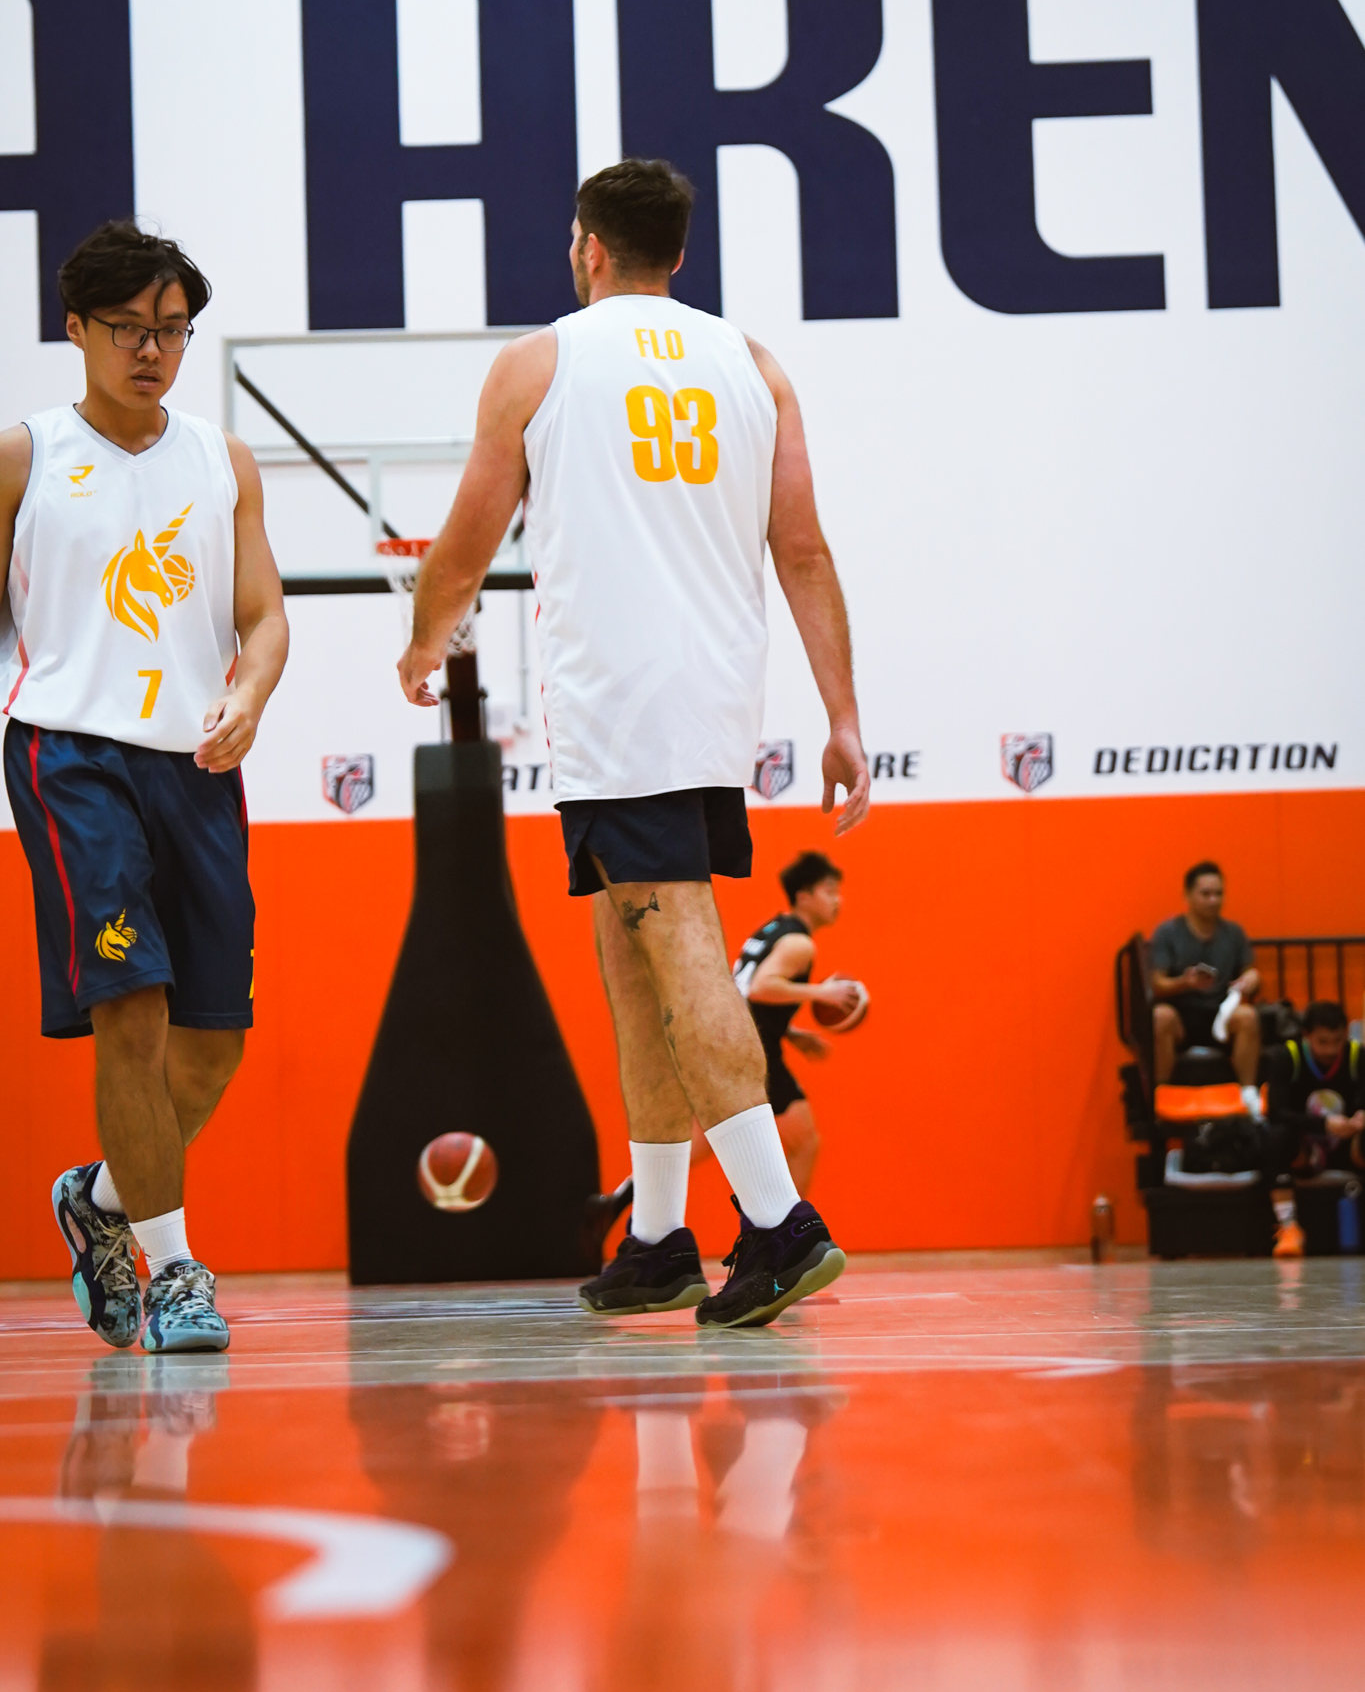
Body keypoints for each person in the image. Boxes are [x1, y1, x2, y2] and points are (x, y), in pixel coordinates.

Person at [400, 159, 870, 1328]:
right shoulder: (753, 362)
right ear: (679, 254)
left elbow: (467, 538)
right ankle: (659, 1234)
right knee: (635, 952)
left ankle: (780, 1220)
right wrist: (844, 716)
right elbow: (803, 549)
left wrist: (423, 642)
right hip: (712, 705)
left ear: (588, 247)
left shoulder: (540, 361)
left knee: (681, 948)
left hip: (622, 706)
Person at [0, 222, 288, 1353]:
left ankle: (102, 1201)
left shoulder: (225, 459)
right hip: (69, 754)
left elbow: (262, 616)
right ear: (76, 329)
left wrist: (249, 693)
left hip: (197, 765)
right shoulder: (24, 457)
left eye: (171, 330)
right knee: (132, 1008)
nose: (152, 349)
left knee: (211, 1044)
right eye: (128, 328)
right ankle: (175, 1273)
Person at [692, 851, 860, 1195]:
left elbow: (747, 993)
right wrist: (822, 992)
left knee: (701, 1141)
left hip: (727, 1037)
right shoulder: (800, 943)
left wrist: (791, 1032)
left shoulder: (773, 928)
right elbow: (760, 987)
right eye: (829, 891)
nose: (838, 900)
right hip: (752, 1048)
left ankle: (629, 1194)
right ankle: (788, 1228)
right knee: (804, 1143)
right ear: (804, 896)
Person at [1261, 1000, 1364, 1259]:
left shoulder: (1357, 1055)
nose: (1331, 1049)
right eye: (1322, 1042)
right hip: (1304, 1147)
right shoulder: (1286, 1056)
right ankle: (1288, 1227)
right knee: (1276, 1136)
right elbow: (1276, 1111)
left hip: (1348, 1145)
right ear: (1306, 1035)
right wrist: (1324, 1125)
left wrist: (1361, 1117)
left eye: (1337, 1041)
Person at [1149, 862, 1261, 1085]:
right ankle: (1160, 1094)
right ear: (1187, 895)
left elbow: (1249, 972)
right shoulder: (1167, 933)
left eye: (1219, 894)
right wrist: (1184, 982)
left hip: (1221, 1013)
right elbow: (1157, 983)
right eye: (1206, 894)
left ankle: (1248, 1094)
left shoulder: (1234, 932)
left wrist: (1252, 978)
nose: (1213, 900)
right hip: (1181, 1015)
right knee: (1160, 1017)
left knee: (1248, 1017)